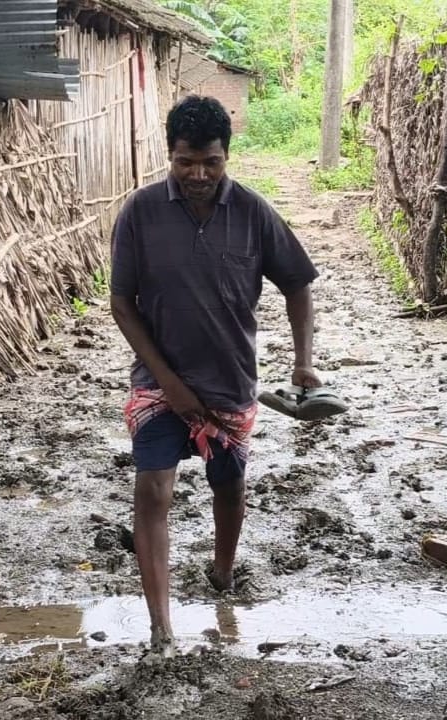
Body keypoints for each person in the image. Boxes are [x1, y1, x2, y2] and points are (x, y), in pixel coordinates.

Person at [109, 96, 324, 656]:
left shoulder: (253, 213)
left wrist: (303, 361)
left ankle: (222, 574)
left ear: (226, 155)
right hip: (159, 384)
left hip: (230, 382)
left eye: (210, 162)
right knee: (152, 488)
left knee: (227, 485)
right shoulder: (141, 212)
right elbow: (121, 303)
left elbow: (297, 284)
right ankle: (161, 627)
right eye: (186, 162)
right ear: (170, 155)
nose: (198, 175)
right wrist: (171, 386)